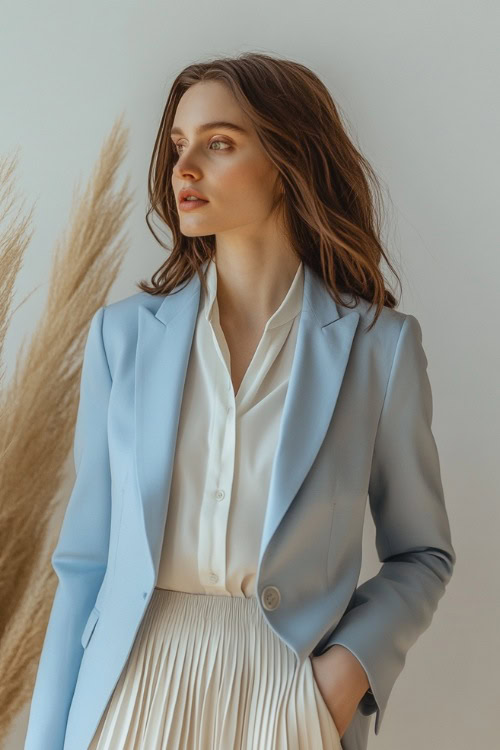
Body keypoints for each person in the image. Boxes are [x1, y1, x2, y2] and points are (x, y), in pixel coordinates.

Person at [24, 52, 456, 750]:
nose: (184, 168)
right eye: (177, 147)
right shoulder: (123, 337)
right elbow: (85, 563)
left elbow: (422, 553)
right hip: (133, 680)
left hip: (285, 692)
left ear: (288, 161)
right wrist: (47, 739)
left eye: (217, 143)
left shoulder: (380, 349)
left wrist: (341, 679)